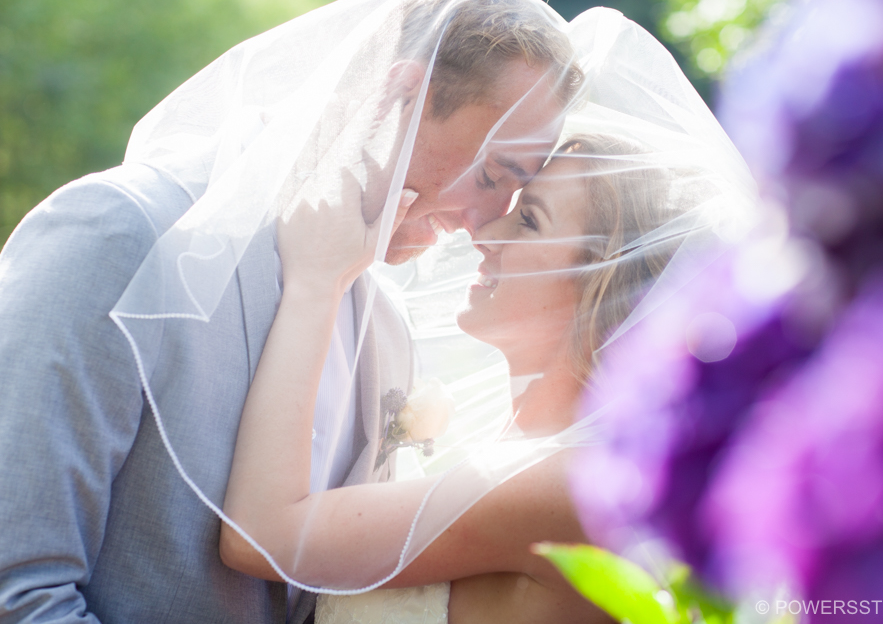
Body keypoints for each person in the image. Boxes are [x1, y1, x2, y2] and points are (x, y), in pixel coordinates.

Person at [0, 0, 580, 624]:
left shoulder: (385, 326)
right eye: (492, 174)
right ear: (401, 97)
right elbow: (18, 589)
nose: (484, 222)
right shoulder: (118, 234)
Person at [220, 134, 686, 623]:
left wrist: (316, 282)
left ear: (605, 285)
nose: (481, 231)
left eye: (528, 219)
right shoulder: (538, 454)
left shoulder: (566, 482)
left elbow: (258, 535)